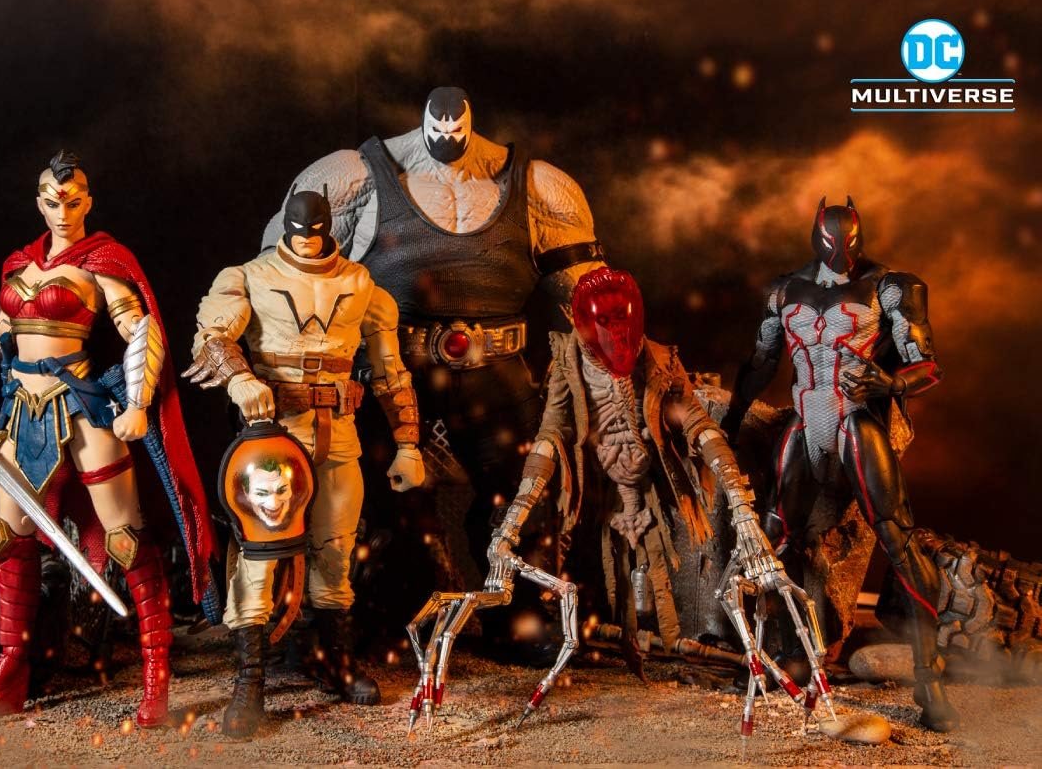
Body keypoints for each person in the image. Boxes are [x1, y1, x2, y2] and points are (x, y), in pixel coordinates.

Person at [259, 86, 607, 597]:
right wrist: (282, 372)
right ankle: (392, 606)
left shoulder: (540, 186)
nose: (447, 137)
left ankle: (517, 612)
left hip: (498, 380)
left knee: (520, 510)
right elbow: (277, 282)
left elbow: (594, 302)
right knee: (384, 516)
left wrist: (610, 375)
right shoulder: (350, 177)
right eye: (438, 129)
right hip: (392, 374)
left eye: (455, 129)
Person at [0, 150, 215, 727]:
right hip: (20, 413)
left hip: (82, 408)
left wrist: (138, 403)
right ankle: (12, 668)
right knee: (6, 538)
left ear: (88, 202)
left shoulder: (103, 261)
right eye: (52, 201)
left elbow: (140, 330)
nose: (63, 212)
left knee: (126, 539)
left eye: (74, 201)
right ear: (39, 202)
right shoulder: (19, 264)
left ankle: (156, 675)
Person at [186, 187, 425, 737]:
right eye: (298, 234)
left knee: (335, 552)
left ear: (328, 229)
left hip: (338, 435)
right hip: (274, 436)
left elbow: (390, 371)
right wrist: (240, 378)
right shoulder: (250, 276)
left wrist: (408, 442)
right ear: (286, 230)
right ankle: (250, 682)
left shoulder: (361, 284)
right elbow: (212, 336)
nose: (307, 242)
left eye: (315, 233)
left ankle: (335, 661)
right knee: (260, 556)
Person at [722, 197, 959, 732]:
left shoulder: (892, 287)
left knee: (898, 540)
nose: (841, 255)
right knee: (771, 539)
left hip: (856, 419)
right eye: (833, 244)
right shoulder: (784, 290)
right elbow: (761, 361)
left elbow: (927, 365)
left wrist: (891, 382)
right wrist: (732, 420)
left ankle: (930, 679)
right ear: (816, 236)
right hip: (806, 420)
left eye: (848, 244)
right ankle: (782, 656)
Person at [487, 268, 778, 676]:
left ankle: (676, 634)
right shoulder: (568, 362)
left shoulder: (660, 360)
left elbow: (698, 425)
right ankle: (552, 628)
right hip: (592, 488)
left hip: (649, 485)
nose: (616, 338)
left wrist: (741, 504)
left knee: (666, 573)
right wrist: (518, 512)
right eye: (605, 325)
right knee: (561, 550)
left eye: (623, 326)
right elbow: (551, 433)